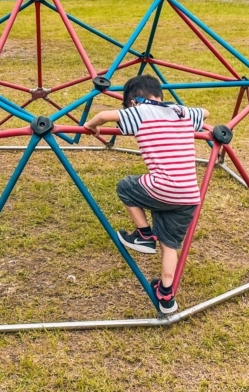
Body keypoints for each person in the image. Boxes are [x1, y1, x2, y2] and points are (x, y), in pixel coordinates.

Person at [83, 75, 209, 314]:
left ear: (132, 102)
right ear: (159, 96)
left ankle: (144, 235)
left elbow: (102, 116)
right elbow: (205, 112)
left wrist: (91, 127)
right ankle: (166, 295)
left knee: (126, 187)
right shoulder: (182, 112)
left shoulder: (139, 112)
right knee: (170, 244)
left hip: (163, 187)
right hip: (190, 196)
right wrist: (183, 111)